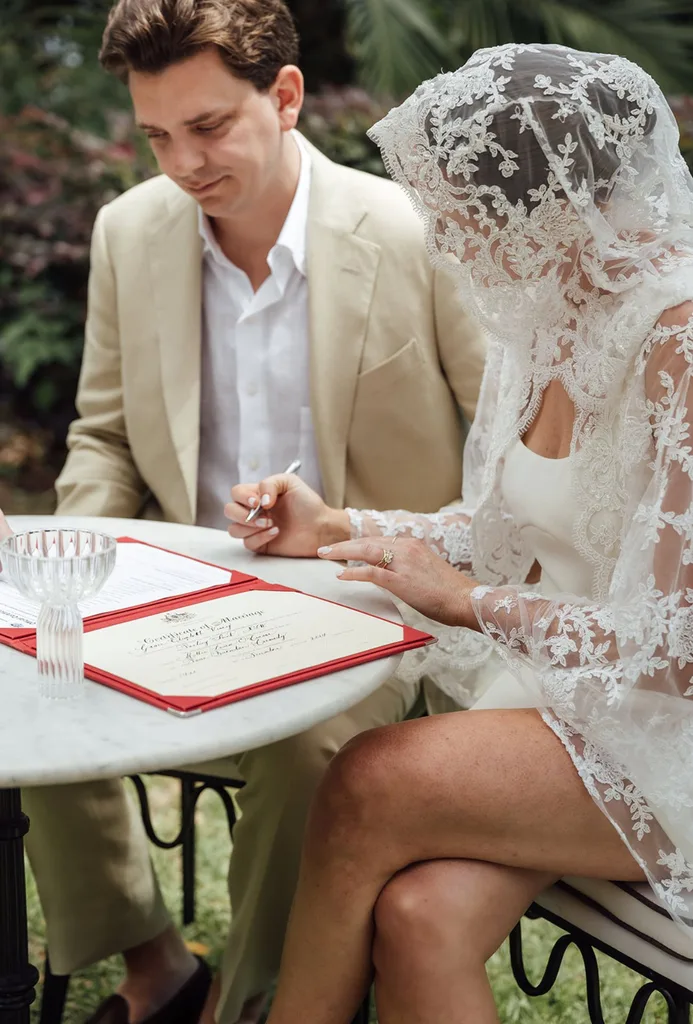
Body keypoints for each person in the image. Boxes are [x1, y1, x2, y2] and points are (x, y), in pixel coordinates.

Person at [17, 1, 487, 1023]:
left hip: (369, 603)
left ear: (285, 96)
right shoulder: (129, 230)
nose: (183, 164)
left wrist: (361, 531)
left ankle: (253, 1004)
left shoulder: (414, 231)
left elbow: (507, 466)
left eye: (209, 126)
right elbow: (104, 435)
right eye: (157, 136)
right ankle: (153, 965)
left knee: (307, 744)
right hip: (176, 589)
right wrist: (66, 570)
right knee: (34, 672)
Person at [221, 43, 693, 1024]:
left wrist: (471, 604)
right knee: (420, 917)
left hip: (666, 732)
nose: (440, 242)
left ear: (546, 208)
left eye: (456, 215)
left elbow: (673, 652)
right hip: (560, 694)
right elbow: (506, 529)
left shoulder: (678, 343)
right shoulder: (548, 319)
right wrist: (338, 524)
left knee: (369, 776)